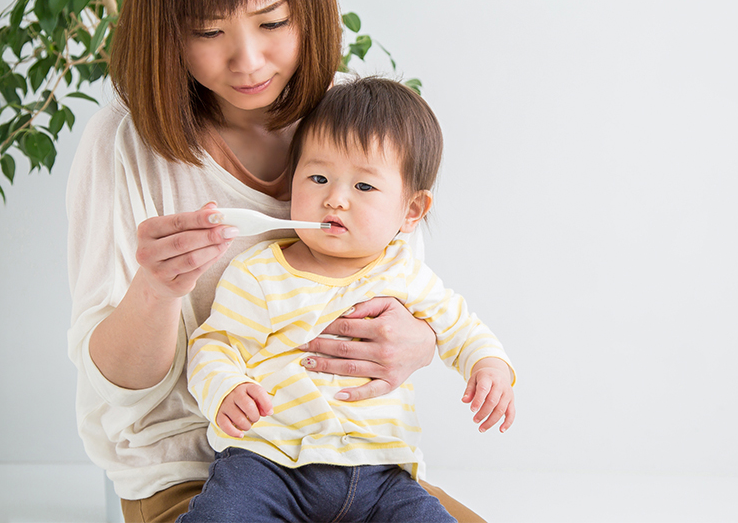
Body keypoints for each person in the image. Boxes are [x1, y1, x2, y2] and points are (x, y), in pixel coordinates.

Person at [65, 0, 486, 523]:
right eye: (208, 31)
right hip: (194, 471)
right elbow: (118, 382)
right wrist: (157, 291)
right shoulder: (123, 144)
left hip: (361, 466)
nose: (249, 60)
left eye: (271, 21)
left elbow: (408, 289)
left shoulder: (354, 117)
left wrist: (422, 344)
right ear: (167, 27)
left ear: (309, 4)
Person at [180, 77, 517, 523]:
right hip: (268, 466)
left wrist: (488, 366)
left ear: (411, 211)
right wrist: (225, 387)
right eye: (318, 178)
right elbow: (214, 345)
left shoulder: (406, 275)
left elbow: (461, 328)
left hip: (382, 478)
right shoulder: (260, 272)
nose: (334, 199)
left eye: (363, 187)